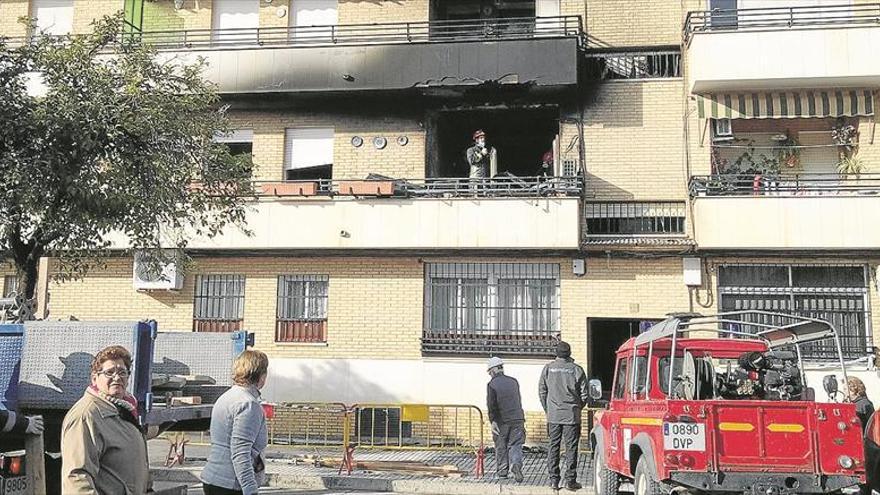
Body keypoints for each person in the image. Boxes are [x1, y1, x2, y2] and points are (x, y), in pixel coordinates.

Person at [61, 345, 150, 494]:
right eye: (109, 373)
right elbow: (77, 478)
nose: (117, 378)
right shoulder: (86, 416)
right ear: (94, 378)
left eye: (122, 372)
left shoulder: (122, 411)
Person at [202, 349, 270, 495]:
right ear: (261, 376)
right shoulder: (248, 404)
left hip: (213, 479)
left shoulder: (226, 397)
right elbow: (240, 452)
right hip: (230, 485)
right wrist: (250, 490)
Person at [539, 341, 588, 492]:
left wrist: (549, 409)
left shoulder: (548, 369)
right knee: (571, 448)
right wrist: (577, 407)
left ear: (556, 353)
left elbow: (542, 391)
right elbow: (585, 395)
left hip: (553, 416)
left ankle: (554, 480)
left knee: (553, 447)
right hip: (571, 416)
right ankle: (570, 481)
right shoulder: (577, 370)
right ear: (569, 353)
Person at [486, 356, 526, 483]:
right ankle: (516, 465)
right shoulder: (514, 381)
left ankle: (502, 472)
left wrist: (493, 421)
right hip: (518, 418)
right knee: (516, 445)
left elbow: (492, 405)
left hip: (502, 420)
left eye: (489, 372)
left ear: (492, 370)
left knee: (501, 446)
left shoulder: (492, 384)